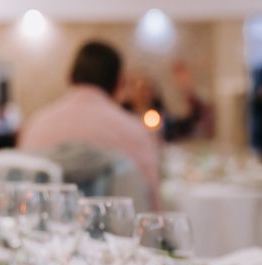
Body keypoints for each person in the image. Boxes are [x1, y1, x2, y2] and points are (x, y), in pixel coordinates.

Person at [20, 41, 160, 207]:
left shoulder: (36, 126)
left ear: (69, 76)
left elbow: (22, 196)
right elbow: (151, 208)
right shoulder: (134, 132)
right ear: (120, 83)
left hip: (42, 229)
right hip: (113, 231)